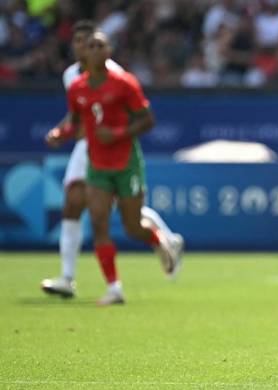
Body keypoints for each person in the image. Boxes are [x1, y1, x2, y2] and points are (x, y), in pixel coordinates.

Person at [41, 21, 183, 300]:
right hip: (95, 159)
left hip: (125, 160)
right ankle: (112, 287)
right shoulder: (74, 81)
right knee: (95, 219)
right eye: (84, 43)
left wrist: (116, 133)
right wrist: (61, 132)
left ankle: (161, 239)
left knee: (131, 226)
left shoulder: (122, 81)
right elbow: (76, 118)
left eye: (96, 45)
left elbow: (147, 119)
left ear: (108, 51)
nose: (89, 49)